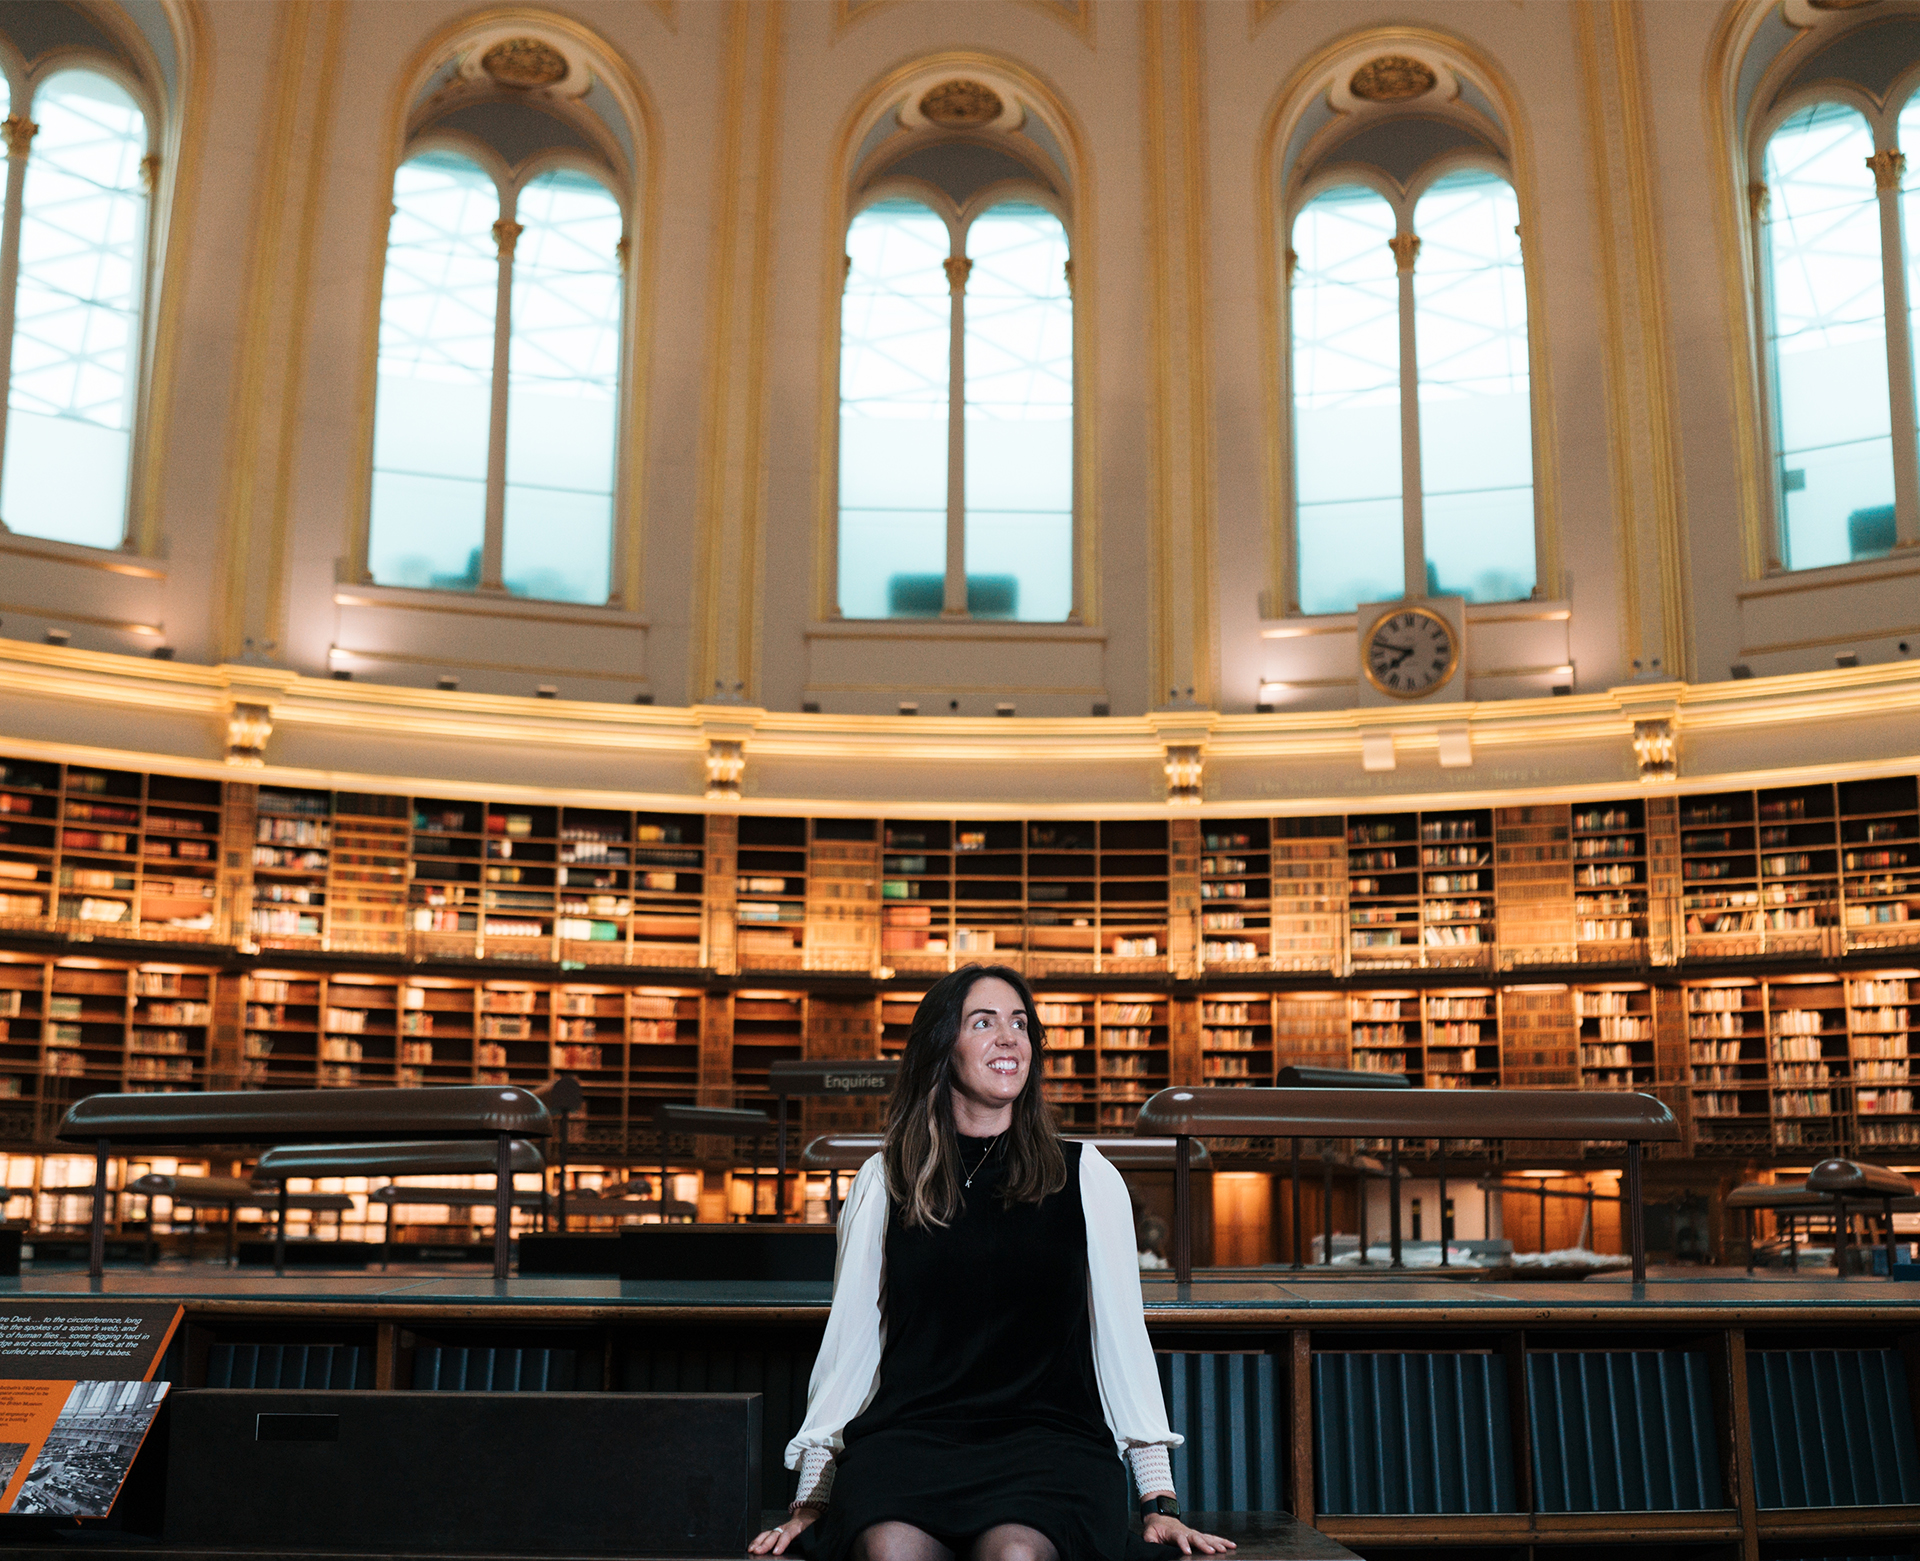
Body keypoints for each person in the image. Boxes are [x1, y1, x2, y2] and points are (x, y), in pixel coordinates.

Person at [749, 964, 1234, 1561]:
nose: (1009, 1037)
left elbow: (1122, 1341)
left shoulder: (1085, 1176)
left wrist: (1158, 1500)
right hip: (913, 1440)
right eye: (984, 1022)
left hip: (1048, 1443)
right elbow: (851, 1347)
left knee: (1015, 1555)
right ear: (941, 1045)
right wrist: (811, 1499)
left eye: (1020, 1024)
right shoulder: (884, 1180)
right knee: (890, 1550)